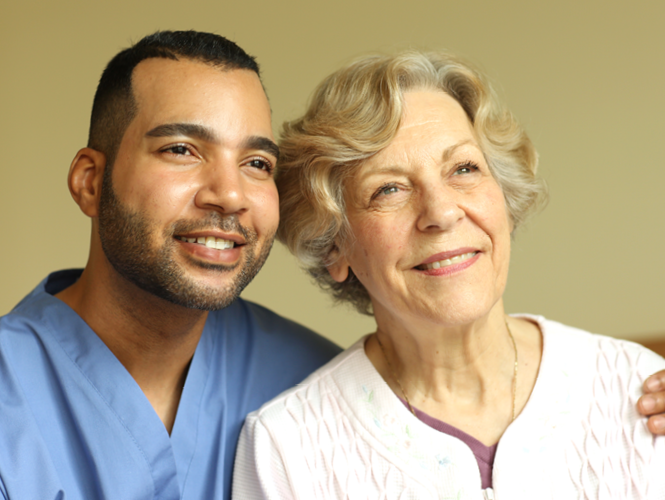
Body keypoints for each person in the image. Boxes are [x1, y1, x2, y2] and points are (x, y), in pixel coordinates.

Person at [233, 51, 665, 499]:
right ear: (334, 246)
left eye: (463, 169)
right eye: (389, 189)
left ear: (505, 200)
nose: (440, 212)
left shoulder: (638, 387)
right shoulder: (287, 449)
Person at [0, 31, 341, 500]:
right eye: (181, 149)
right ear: (90, 182)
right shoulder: (10, 393)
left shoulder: (317, 384)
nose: (230, 194)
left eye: (257, 163)